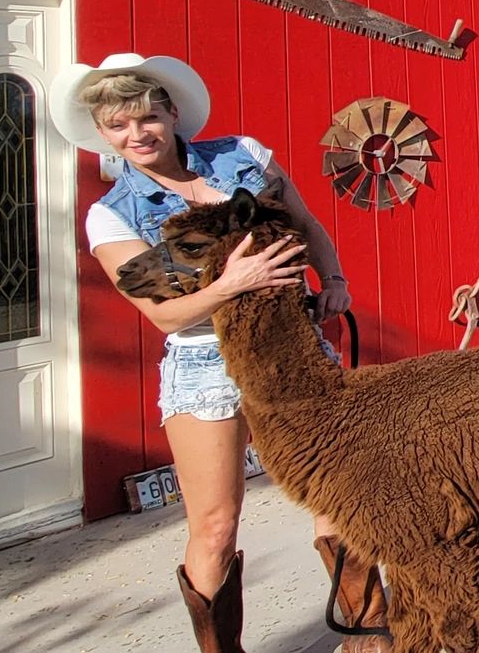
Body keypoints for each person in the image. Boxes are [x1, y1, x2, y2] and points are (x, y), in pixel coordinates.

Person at [54, 53, 368, 652]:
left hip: (290, 348)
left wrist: (333, 280)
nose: (136, 134)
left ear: (172, 114)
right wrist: (233, 283)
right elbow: (163, 312)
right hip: (205, 363)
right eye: (118, 126)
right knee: (216, 524)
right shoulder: (113, 215)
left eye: (147, 117)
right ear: (102, 134)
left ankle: (367, 636)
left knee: (337, 496)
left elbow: (303, 220)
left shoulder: (241, 157)